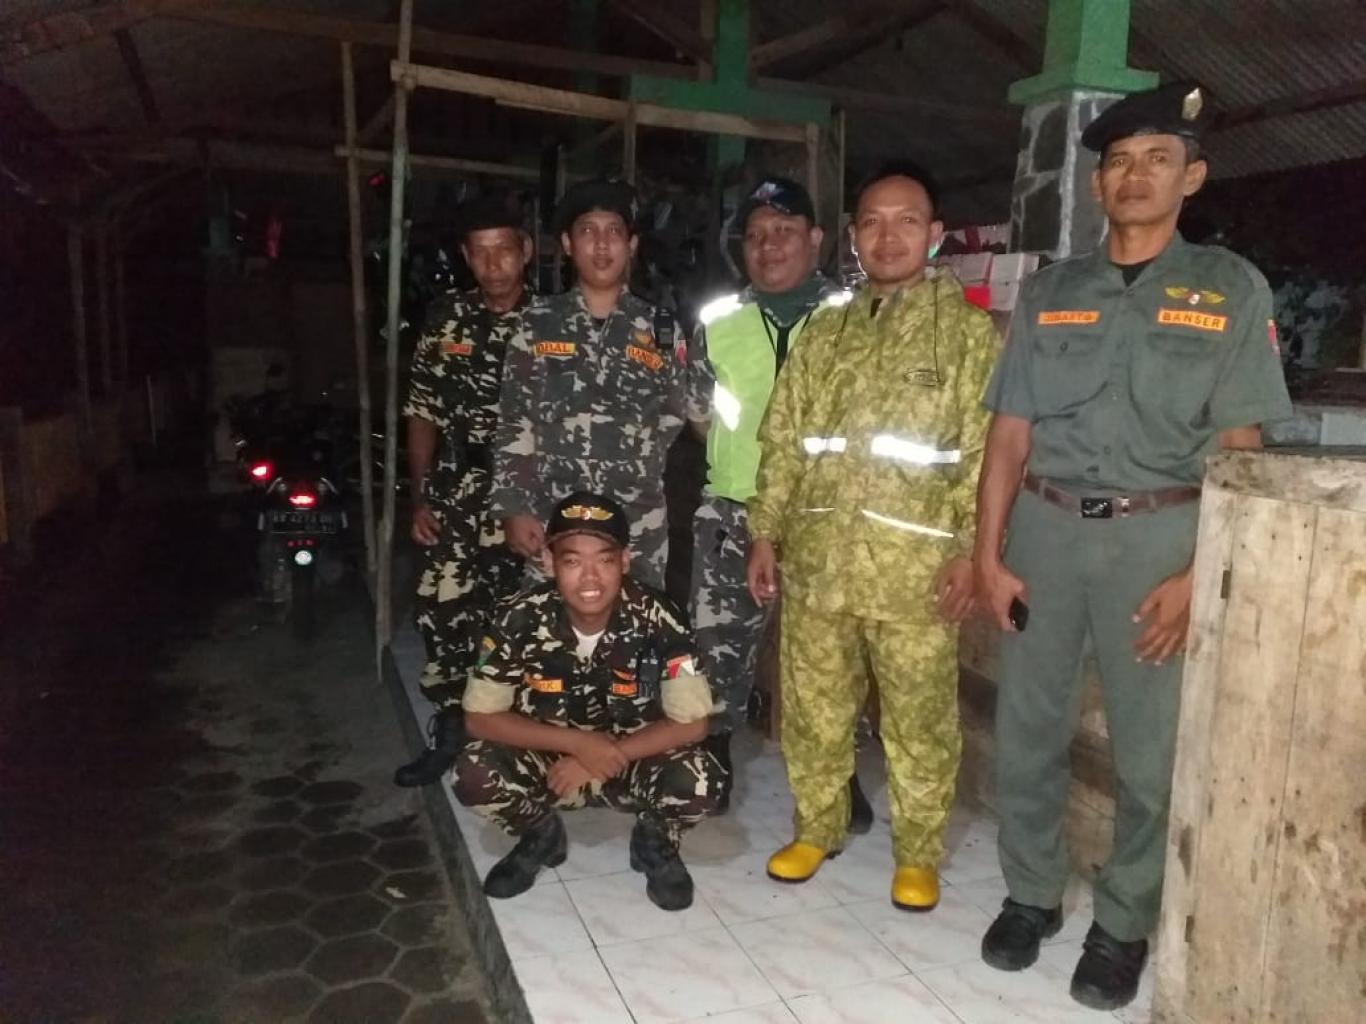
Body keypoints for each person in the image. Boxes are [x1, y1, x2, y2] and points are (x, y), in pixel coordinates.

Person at [973, 82, 1292, 1011]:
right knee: (1029, 730)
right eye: (1118, 161)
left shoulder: (1231, 290)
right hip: (1044, 532)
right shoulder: (1052, 292)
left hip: (1160, 538)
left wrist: (1200, 574)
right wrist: (989, 556)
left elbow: (1241, 451)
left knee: (1151, 755)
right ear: (1098, 184)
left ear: (1192, 176)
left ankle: (1122, 923)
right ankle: (1031, 894)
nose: (1135, 175)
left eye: (1158, 159)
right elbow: (1008, 437)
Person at [745, 163, 996, 911]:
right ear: (853, 238)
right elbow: (784, 440)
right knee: (814, 710)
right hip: (820, 565)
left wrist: (970, 553)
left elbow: (985, 457)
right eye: (873, 223)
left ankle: (917, 853)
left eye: (907, 221)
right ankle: (815, 829)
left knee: (919, 721)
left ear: (935, 235)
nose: (889, 237)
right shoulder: (826, 334)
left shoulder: (967, 336)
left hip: (916, 577)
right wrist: (765, 532)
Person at [687, 175, 871, 827]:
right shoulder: (717, 321)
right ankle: (710, 757)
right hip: (734, 513)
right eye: (757, 235)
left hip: (827, 517)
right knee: (717, 647)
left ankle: (836, 775)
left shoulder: (857, 318)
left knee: (830, 655)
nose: (769, 246)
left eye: (785, 232)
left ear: (815, 238)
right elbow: (698, 412)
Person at [453, 491, 724, 911]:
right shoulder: (518, 617)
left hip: (633, 762)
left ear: (625, 562)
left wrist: (607, 753)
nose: (590, 578)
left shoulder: (660, 618)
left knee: (704, 780)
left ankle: (654, 840)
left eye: (605, 560)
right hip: (552, 766)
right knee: (473, 772)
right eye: (573, 561)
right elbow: (478, 717)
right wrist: (578, 744)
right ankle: (540, 834)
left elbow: (693, 723)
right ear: (548, 563)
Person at [395, 193, 533, 788]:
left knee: (520, 617)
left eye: (504, 249)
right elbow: (422, 410)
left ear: (525, 251)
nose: (494, 263)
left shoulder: (553, 322)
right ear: (466, 256)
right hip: (456, 488)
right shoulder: (446, 318)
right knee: (445, 611)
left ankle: (517, 743)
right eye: (481, 252)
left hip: (525, 493)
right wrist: (420, 495)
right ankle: (451, 733)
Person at [489, 179, 686, 592]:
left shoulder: (661, 329)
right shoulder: (537, 323)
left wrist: (636, 460)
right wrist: (514, 506)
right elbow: (515, 418)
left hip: (636, 523)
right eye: (587, 231)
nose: (601, 244)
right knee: (548, 625)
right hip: (553, 515)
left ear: (631, 245)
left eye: (614, 231)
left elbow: (674, 412)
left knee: (637, 625)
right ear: (567, 243)